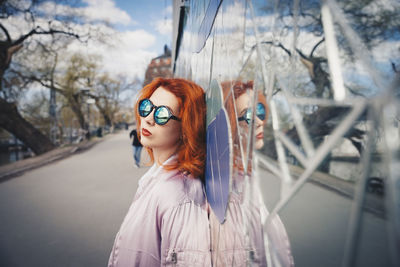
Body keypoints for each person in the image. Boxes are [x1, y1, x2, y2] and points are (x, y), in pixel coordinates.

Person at [108, 78, 211, 266]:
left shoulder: (178, 198)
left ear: (186, 129)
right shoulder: (156, 179)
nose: (147, 118)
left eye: (162, 114)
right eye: (147, 106)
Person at [208, 80, 293, 266]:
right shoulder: (229, 195)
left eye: (260, 112)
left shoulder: (247, 181)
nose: (260, 122)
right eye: (248, 116)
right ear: (227, 125)